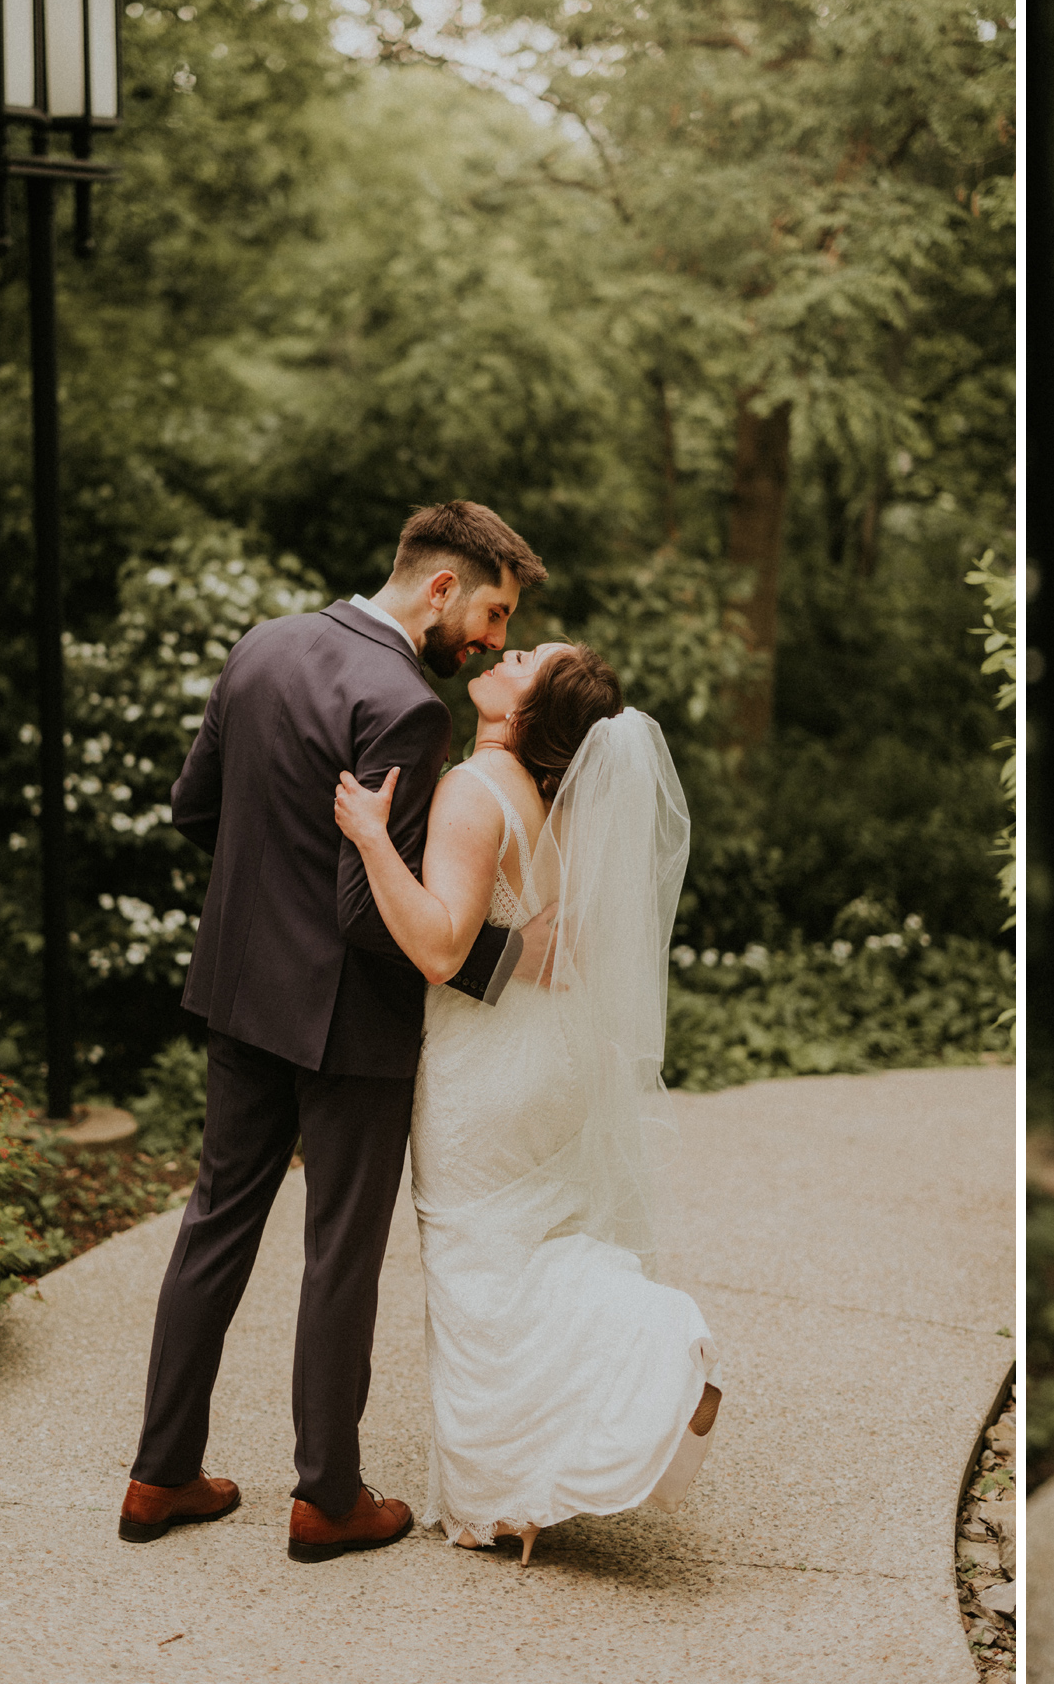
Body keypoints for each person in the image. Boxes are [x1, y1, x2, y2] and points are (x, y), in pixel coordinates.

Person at [120, 500, 540, 1562]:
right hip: (348, 1022)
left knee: (214, 1222)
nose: (490, 638)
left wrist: (263, 908)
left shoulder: (263, 645)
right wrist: (506, 960)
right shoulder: (406, 705)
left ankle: (160, 1474)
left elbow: (193, 808)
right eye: (491, 611)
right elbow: (367, 908)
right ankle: (328, 1498)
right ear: (440, 586)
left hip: (237, 990)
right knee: (338, 1255)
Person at [331, 638, 719, 1564]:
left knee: (476, 1263)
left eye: (527, 658)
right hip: (547, 1059)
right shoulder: (551, 803)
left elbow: (437, 945)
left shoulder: (475, 787)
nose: (507, 650)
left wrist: (371, 838)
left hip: (485, 1070)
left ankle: (645, 1357)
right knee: (523, 1249)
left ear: (527, 708)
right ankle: (527, 1473)